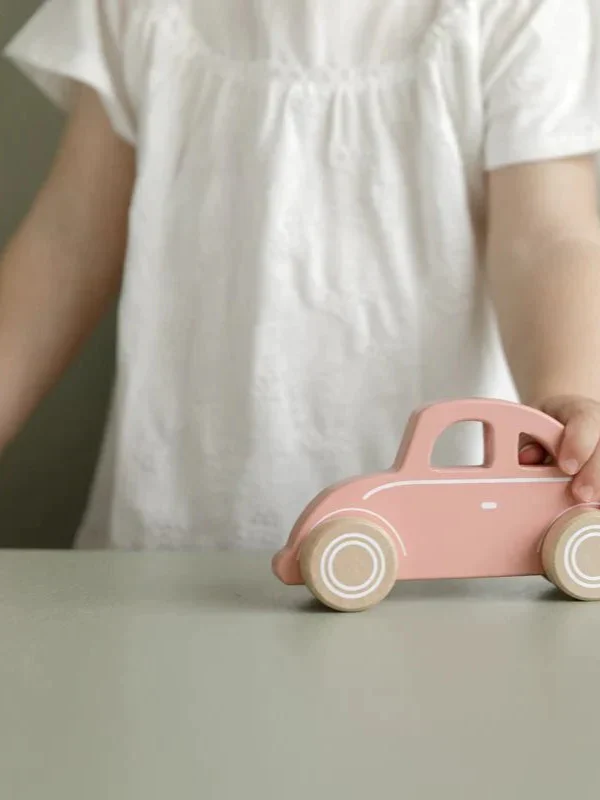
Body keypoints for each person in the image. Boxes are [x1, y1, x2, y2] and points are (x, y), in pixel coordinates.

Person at [2, 0, 600, 551]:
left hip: (445, 535)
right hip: (179, 516)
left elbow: (547, 238)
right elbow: (68, 241)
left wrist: (567, 399)